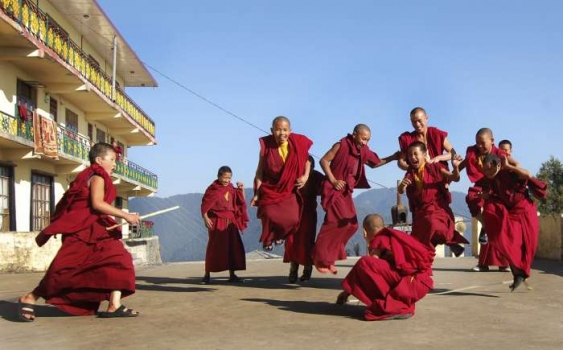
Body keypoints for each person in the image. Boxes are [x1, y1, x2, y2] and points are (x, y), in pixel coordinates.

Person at [18, 142, 141, 322]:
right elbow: (97, 204)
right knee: (65, 270)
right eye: (112, 160)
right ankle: (30, 297)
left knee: (119, 260)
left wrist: (122, 216)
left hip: (97, 229)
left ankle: (115, 304)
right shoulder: (97, 175)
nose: (115, 164)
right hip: (83, 231)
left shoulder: (87, 175)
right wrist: (125, 215)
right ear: (99, 160)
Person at [312, 124, 399, 274]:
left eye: (368, 140)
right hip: (334, 189)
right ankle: (319, 257)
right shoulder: (340, 145)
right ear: (354, 135)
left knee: (352, 225)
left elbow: (375, 163)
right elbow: (324, 161)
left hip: (346, 192)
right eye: (363, 139)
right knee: (333, 222)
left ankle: (329, 257)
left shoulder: (363, 150)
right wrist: (333, 180)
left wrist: (393, 157)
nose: (365, 143)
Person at [336, 214, 434, 321]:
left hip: (410, 283)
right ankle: (399, 305)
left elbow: (371, 264)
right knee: (373, 267)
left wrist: (346, 292)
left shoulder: (380, 239)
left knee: (364, 263)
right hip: (419, 282)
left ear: (365, 231)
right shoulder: (393, 236)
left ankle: (395, 307)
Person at [478, 154, 540, 291]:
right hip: (512, 213)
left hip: (525, 209)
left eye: (489, 169)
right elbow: (499, 195)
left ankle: (520, 273)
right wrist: (488, 196)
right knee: (510, 241)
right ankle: (518, 273)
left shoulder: (509, 171)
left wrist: (509, 166)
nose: (487, 173)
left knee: (529, 244)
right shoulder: (493, 180)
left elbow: (528, 174)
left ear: (497, 165)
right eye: (485, 170)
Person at [251, 116, 313, 251]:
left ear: (290, 131)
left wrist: (305, 176)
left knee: (293, 220)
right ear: (272, 130)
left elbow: (307, 160)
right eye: (278, 130)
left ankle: (279, 234)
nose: (282, 133)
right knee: (268, 213)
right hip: (270, 188)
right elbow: (260, 171)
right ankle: (268, 238)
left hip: (289, 189)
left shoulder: (297, 143)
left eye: (285, 130)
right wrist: (257, 193)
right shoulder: (266, 146)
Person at [397, 141, 468, 256]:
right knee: (417, 243)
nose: (412, 157)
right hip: (420, 211)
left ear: (425, 155)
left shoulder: (435, 168)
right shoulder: (410, 173)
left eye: (416, 154)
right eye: (410, 155)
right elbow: (401, 191)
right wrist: (401, 186)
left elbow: (454, 178)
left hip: (437, 208)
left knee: (433, 223)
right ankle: (448, 244)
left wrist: (456, 168)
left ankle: (448, 242)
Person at [459, 128, 516, 272]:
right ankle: (483, 261)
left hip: (497, 191)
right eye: (477, 143)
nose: (479, 146)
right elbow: (464, 164)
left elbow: (516, 165)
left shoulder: (499, 154)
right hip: (481, 187)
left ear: (492, 141)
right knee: (473, 200)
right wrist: (451, 175)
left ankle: (504, 263)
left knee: (496, 221)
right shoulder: (473, 153)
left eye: (482, 143)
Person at [201, 166, 249, 284]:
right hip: (216, 220)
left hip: (230, 222)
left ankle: (232, 275)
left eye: (229, 178)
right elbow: (205, 204)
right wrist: (205, 218)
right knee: (214, 247)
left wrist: (242, 189)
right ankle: (207, 275)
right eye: (225, 178)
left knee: (233, 247)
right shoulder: (212, 189)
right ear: (218, 176)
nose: (227, 180)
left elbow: (240, 202)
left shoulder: (232, 188)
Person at [284, 156, 324, 283]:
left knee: (307, 242)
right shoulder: (295, 175)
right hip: (293, 212)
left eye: (310, 166)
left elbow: (326, 188)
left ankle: (307, 270)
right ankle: (293, 270)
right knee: (291, 241)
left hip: (309, 214)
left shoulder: (317, 176)